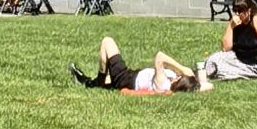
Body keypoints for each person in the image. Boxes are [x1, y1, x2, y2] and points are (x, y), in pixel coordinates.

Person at [69, 37, 212, 95]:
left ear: (178, 81)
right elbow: (209, 86)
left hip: (125, 78)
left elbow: (160, 57)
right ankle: (95, 81)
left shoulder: (163, 84)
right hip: (131, 75)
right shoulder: (181, 87)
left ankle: (97, 82)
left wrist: (182, 68)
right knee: (108, 80)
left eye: (180, 77)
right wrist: (195, 82)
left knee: (107, 42)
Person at [202, 0, 257, 82]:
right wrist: (231, 26)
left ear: (249, 10)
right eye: (235, 11)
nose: (237, 14)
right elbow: (225, 48)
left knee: (221, 70)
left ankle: (208, 75)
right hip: (238, 58)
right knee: (212, 60)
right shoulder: (236, 22)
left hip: (254, 65)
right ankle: (200, 74)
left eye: (240, 11)